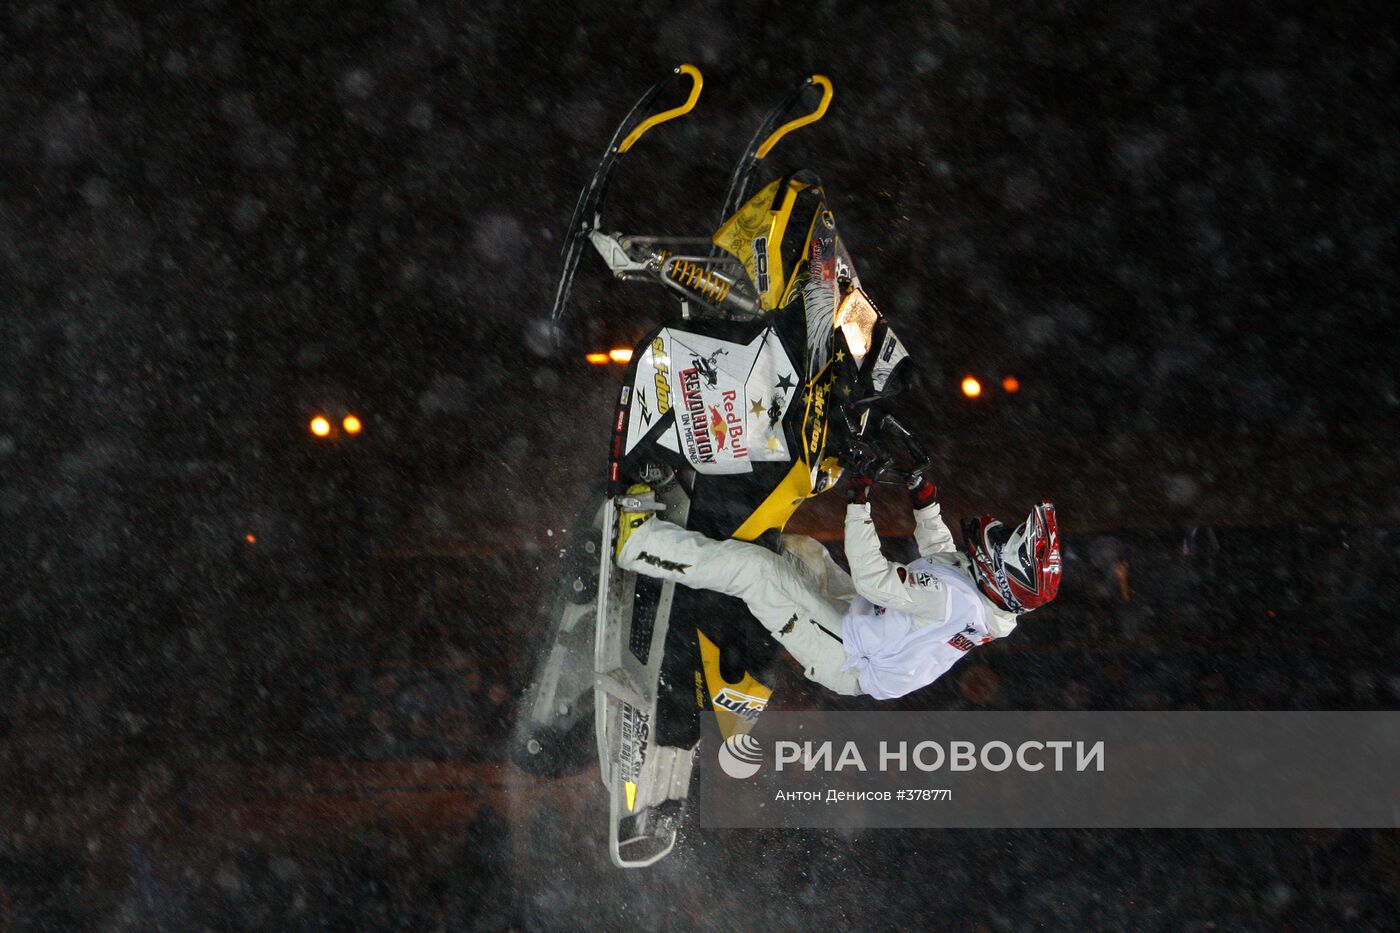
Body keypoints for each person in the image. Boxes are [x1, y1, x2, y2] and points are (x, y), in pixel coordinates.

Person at [613, 471, 1061, 700]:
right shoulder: (985, 599)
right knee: (802, 551)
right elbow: (944, 559)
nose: (996, 533)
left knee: (759, 572)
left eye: (1004, 540)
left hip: (848, 655)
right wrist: (926, 502)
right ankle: (698, 550)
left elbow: (874, 575)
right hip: (871, 630)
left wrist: (859, 501)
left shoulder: (952, 602)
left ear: (1007, 572)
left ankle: (641, 544)